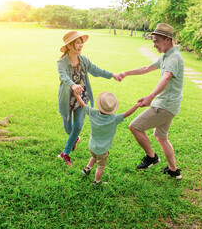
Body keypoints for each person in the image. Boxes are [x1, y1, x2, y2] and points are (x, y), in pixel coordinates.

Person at [116, 23, 184, 179]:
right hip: (169, 104)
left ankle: (152, 157)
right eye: (153, 41)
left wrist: (151, 96)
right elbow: (147, 68)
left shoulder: (173, 58)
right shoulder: (167, 55)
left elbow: (166, 78)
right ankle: (174, 171)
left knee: (135, 126)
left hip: (164, 105)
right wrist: (126, 73)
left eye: (157, 41)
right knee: (161, 136)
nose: (154, 45)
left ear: (168, 39)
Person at [57, 31, 120, 166]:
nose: (80, 46)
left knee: (78, 126)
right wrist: (73, 85)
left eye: (81, 43)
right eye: (77, 43)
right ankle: (75, 139)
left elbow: (96, 70)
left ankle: (65, 154)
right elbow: (63, 76)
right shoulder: (61, 62)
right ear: (69, 46)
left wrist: (112, 75)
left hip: (81, 99)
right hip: (66, 101)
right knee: (69, 130)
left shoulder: (84, 60)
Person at [74, 91, 140, 185]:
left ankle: (86, 169)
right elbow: (127, 113)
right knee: (100, 166)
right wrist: (137, 105)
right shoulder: (114, 119)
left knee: (94, 157)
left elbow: (83, 105)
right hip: (102, 150)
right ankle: (97, 182)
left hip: (92, 146)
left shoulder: (93, 113)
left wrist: (77, 95)